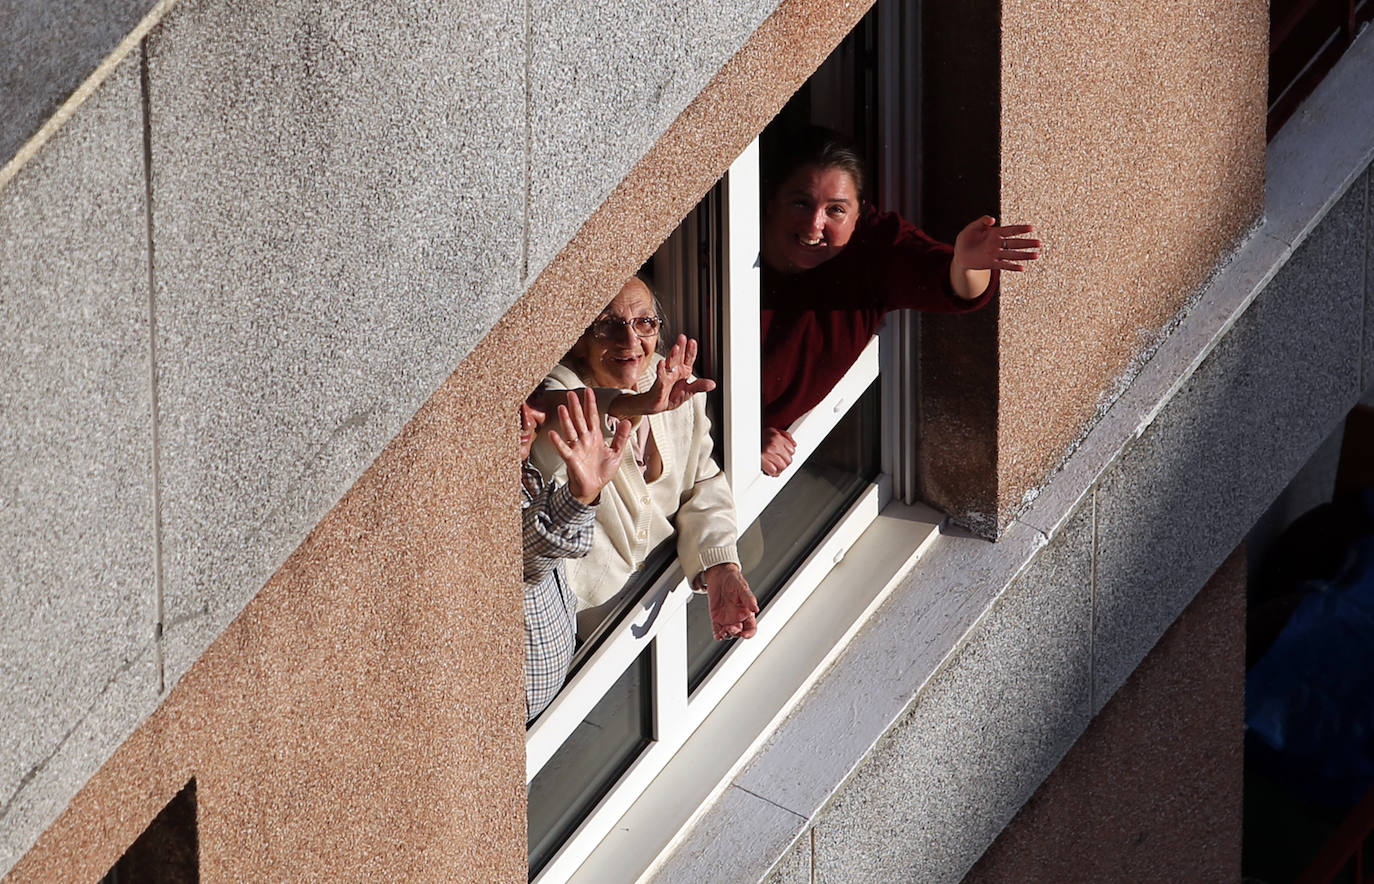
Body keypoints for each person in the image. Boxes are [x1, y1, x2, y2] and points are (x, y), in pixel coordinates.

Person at [759, 126, 1042, 476]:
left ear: (858, 215)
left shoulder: (871, 249)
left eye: (836, 210)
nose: (815, 226)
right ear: (771, 200)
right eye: (801, 203)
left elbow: (957, 286)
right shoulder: (720, 257)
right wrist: (743, 437)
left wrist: (967, 261)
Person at [531, 277, 759, 642]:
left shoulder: (672, 383)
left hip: (660, 589)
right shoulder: (557, 383)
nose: (631, 341)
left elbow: (701, 482)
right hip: (586, 614)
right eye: (608, 326)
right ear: (578, 338)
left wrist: (720, 565)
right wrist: (637, 405)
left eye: (644, 323)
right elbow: (559, 413)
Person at [521, 387, 631, 721]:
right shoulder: (482, 491)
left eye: (532, 399)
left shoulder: (522, 472)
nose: (527, 419)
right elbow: (527, 556)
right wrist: (579, 497)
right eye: (507, 407)